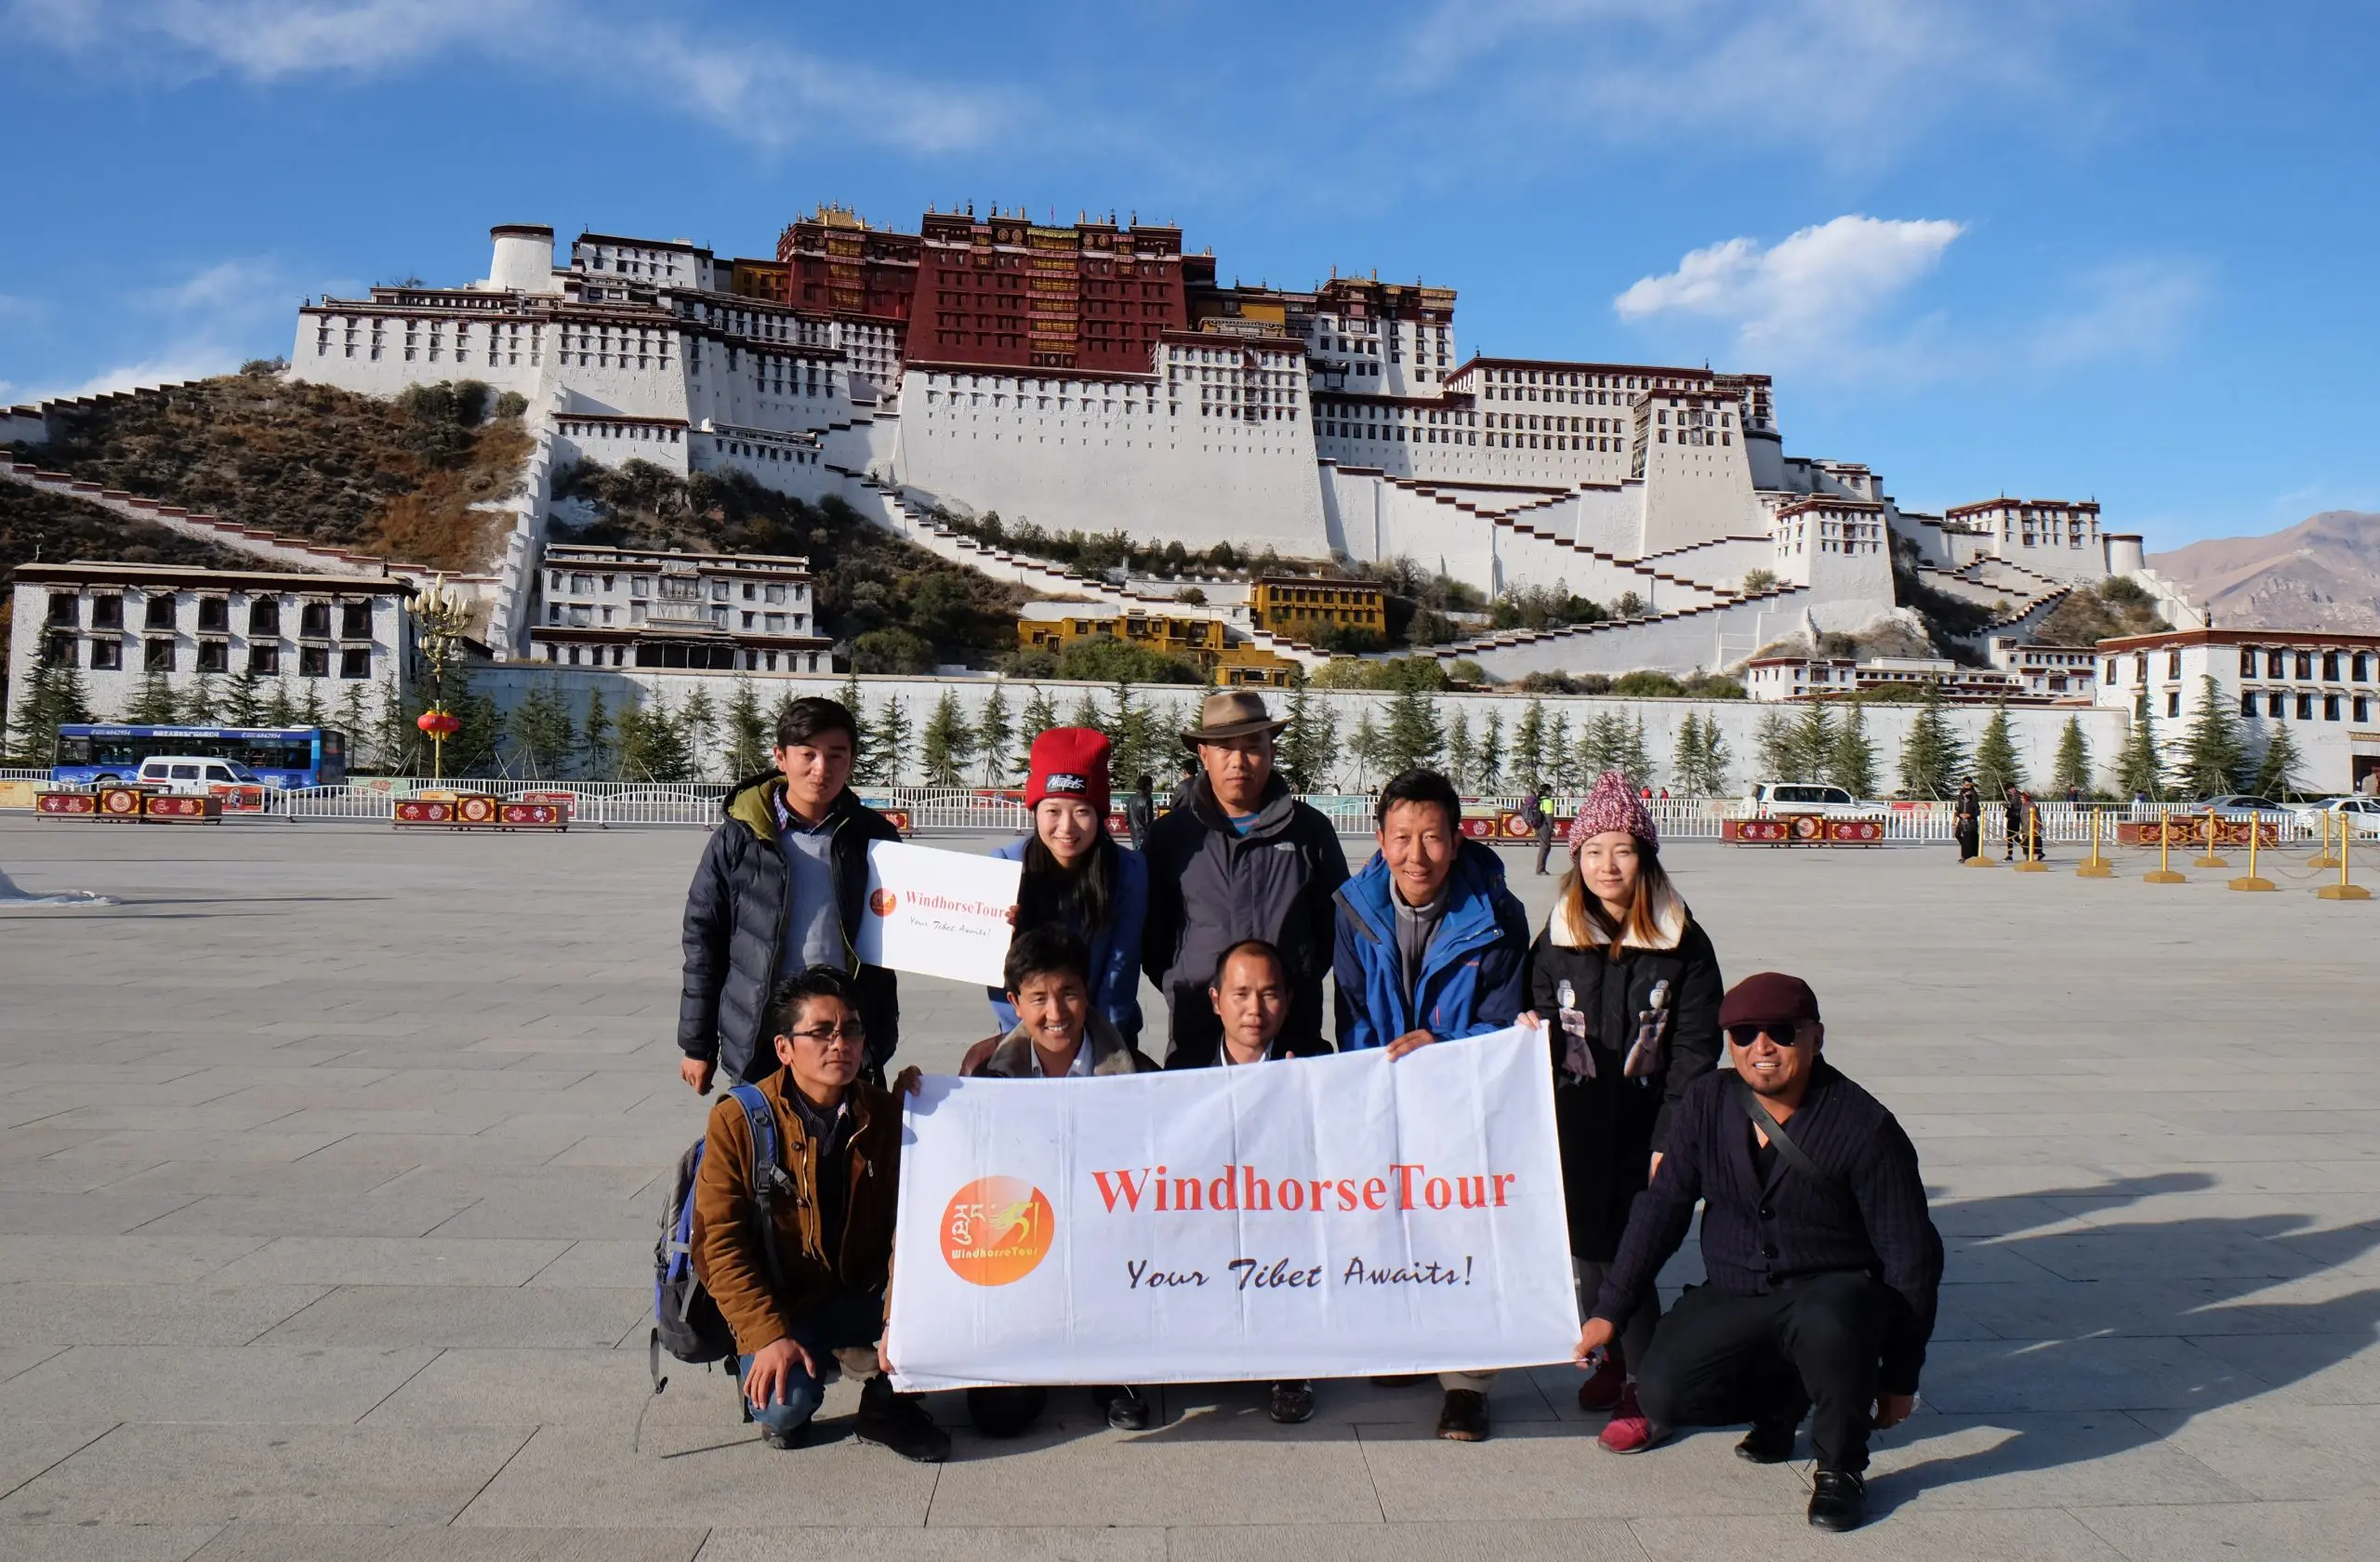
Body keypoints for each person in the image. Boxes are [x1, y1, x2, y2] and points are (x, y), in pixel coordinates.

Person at [1572, 972, 1943, 1533]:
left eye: (1780, 1033)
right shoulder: (1708, 1101)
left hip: (1831, 1295)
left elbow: (1911, 1257)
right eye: (1744, 1033)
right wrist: (1609, 1310)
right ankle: (1782, 1395)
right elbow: (1663, 1208)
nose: (1761, 1047)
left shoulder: (1866, 1128)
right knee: (1663, 1394)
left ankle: (1841, 1467)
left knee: (1830, 1323)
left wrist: (1900, 1378)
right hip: (1736, 1288)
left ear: (1815, 1037)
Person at [1332, 767, 1533, 1441]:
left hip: (1463, 1092)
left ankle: (1469, 1384)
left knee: (1466, 1225)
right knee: (1393, 1217)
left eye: (1432, 838)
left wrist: (1441, 1049)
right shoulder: (1354, 909)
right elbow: (1353, 1013)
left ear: (1458, 838)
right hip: (1389, 1089)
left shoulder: (1497, 914)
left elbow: (1505, 1016)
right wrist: (1377, 1082)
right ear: (1380, 837)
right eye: (1402, 837)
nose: (1416, 856)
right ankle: (1406, 1337)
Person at [1530, 770, 1724, 1453]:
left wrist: (1674, 1136)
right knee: (1586, 1251)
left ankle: (1648, 1382)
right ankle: (1609, 1354)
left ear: (1645, 856)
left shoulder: (1684, 944)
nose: (1606, 865)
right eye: (1592, 851)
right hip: (1577, 1121)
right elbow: (1540, 1023)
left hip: (1647, 1127)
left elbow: (1697, 1052)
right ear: (1575, 860)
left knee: (1632, 1254)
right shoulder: (1556, 938)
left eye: (1621, 849)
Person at [690, 966, 948, 1461]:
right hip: (785, 1302)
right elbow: (718, 1246)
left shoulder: (884, 1112)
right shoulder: (738, 1120)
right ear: (785, 1049)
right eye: (821, 1032)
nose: (840, 1044)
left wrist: (901, 1320)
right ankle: (771, 1359)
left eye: (851, 1029)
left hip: (859, 1293)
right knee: (786, 1409)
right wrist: (766, 1335)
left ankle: (881, 1406)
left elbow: (913, 1228)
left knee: (939, 1344)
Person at [965, 925, 1163, 1435]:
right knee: (998, 1418)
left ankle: (1115, 1370)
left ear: (1087, 991)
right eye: (1038, 998)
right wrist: (917, 1095)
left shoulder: (1136, 1071)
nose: (1056, 1013)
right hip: (1021, 1245)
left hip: (1104, 1247)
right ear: (1014, 1002)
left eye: (1068, 993)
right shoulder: (983, 1069)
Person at [681, 698, 903, 1093]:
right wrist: (698, 1045)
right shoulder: (740, 836)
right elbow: (704, 940)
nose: (822, 768)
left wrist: (987, 923)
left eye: (837, 755)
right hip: (761, 1033)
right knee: (763, 1145)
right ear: (781, 757)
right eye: (808, 754)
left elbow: (923, 916)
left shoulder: (874, 837)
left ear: (851, 761)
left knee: (849, 1147)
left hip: (846, 1033)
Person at [1142, 692, 1349, 1067]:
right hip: (1196, 1027)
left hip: (1292, 1030)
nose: (1239, 761)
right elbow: (1153, 937)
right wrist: (1185, 980)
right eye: (1224, 748)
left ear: (1271, 751)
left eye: (1252, 746)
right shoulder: (1171, 837)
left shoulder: (1309, 830)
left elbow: (1333, 929)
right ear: (1204, 755)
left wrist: (1291, 982)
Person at [1170, 938, 1329, 1424]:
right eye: (1240, 995)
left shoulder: (1316, 1063)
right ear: (1216, 1001)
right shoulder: (1184, 1068)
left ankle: (1291, 1367)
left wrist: (1299, 1105)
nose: (1255, 1010)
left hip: (1283, 1222)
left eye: (1269, 994)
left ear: (1289, 1000)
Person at [987, 728, 1148, 1046]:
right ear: (1034, 811)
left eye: (1081, 812)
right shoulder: (1005, 865)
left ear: (1100, 815)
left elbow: (1122, 969)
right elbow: (997, 974)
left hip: (1107, 1035)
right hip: (1027, 1034)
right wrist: (1026, 1037)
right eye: (1053, 811)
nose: (1066, 827)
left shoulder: (1129, 872)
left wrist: (1095, 1044)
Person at [1952, 779, 1981, 861]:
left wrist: (1970, 815)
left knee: (1969, 838)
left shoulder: (1973, 795)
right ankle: (1967, 851)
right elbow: (1959, 807)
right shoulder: (1961, 793)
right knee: (1958, 835)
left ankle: (1965, 856)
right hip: (1962, 820)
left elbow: (1977, 810)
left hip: (1971, 821)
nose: (1965, 796)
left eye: (1968, 784)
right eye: (1965, 784)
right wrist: (1958, 815)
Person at [1127, 773, 1157, 851]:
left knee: (1137, 858)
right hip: (1144, 836)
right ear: (1147, 786)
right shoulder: (1147, 799)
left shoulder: (1130, 799)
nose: (1152, 788)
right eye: (1151, 785)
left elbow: (1126, 818)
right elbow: (1148, 821)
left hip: (1134, 835)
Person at [1532, 787, 1559, 876]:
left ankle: (1541, 868)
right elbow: (1549, 816)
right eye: (1551, 790)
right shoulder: (1548, 802)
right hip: (1545, 827)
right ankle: (1540, 869)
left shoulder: (1539, 800)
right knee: (1544, 848)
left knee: (1544, 847)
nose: (1552, 792)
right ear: (1547, 791)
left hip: (1538, 826)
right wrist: (1552, 828)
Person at [2002, 783, 2024, 862]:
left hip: (2016, 817)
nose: (2011, 790)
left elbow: (2020, 806)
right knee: (2009, 837)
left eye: (2012, 788)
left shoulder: (2019, 795)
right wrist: (2006, 805)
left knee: (2015, 837)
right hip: (2010, 817)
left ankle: (2027, 848)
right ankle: (2009, 854)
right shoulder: (2011, 796)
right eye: (2010, 789)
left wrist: (2011, 806)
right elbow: (2009, 805)